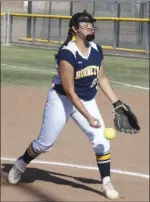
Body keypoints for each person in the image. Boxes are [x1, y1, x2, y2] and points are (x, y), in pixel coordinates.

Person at [8, 10, 140, 200]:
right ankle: (20, 164)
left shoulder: (96, 49)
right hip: (61, 100)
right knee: (45, 143)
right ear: (74, 29)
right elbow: (69, 91)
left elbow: (101, 77)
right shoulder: (67, 54)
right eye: (85, 25)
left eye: (92, 25)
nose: (90, 28)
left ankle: (106, 182)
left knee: (102, 140)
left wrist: (116, 103)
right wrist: (88, 117)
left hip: (86, 99)